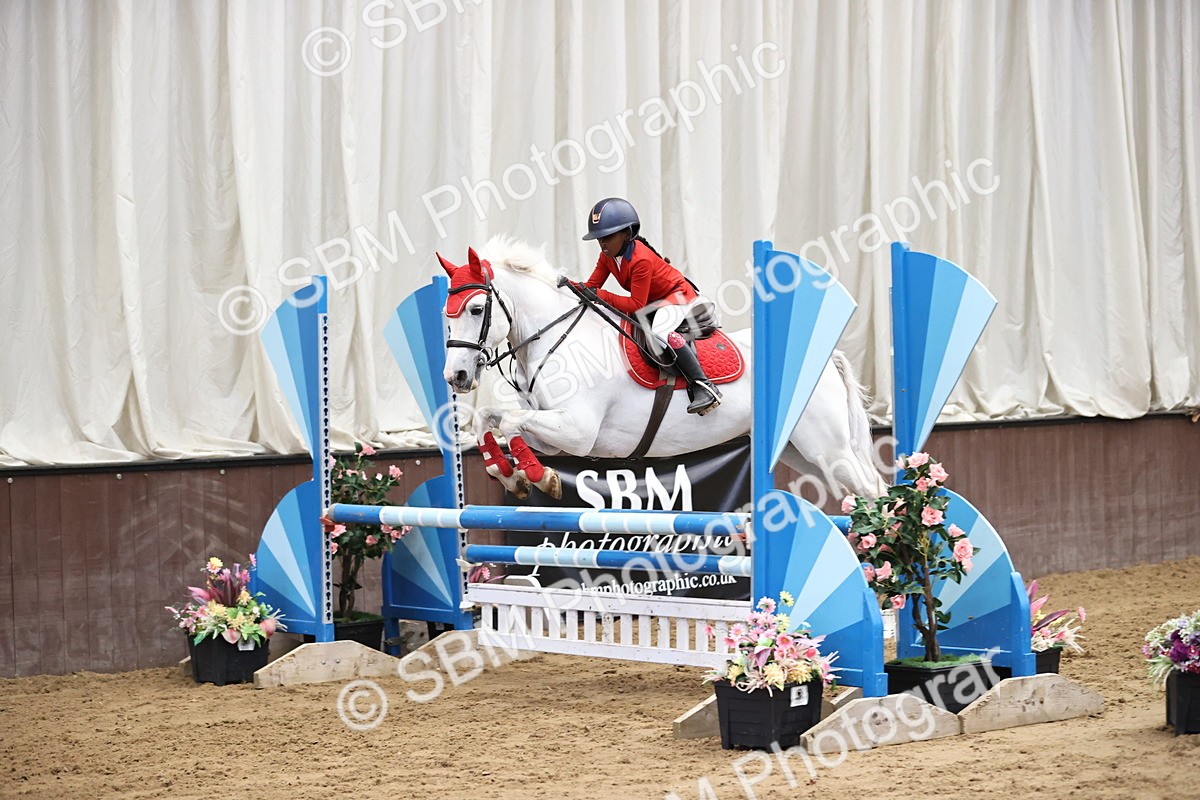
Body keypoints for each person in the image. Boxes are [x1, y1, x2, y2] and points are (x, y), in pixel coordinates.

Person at [576, 197, 721, 415]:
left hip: (677, 296)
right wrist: (566, 285)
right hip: (655, 302)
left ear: (627, 234)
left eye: (608, 237)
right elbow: (591, 286)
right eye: (599, 239)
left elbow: (635, 304)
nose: (603, 243)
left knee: (661, 331)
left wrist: (600, 295)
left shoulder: (640, 259)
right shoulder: (607, 256)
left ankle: (704, 386)